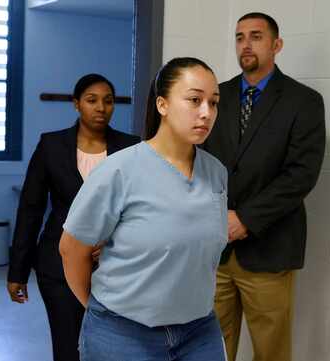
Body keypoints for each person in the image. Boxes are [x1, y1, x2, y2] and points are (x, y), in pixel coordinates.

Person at [59, 57, 228, 361]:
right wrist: (99, 311)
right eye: (194, 100)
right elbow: (72, 250)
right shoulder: (120, 170)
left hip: (199, 330)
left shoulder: (216, 173)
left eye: (213, 103)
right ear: (162, 105)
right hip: (123, 332)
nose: (206, 113)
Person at [203, 12, 326, 361]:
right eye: (240, 37)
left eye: (256, 36)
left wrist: (245, 219)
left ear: (277, 45)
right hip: (215, 249)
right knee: (210, 346)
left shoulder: (303, 101)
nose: (246, 44)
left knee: (271, 352)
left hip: (269, 248)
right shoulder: (217, 97)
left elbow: (301, 175)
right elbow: (198, 163)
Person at [7, 73, 140, 361]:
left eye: (108, 101)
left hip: (117, 268)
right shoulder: (51, 146)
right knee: (68, 347)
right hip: (58, 266)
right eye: (92, 100)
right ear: (76, 104)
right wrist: (17, 271)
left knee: (113, 347)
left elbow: (141, 209)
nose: (101, 108)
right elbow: (31, 209)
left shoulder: (131, 148)